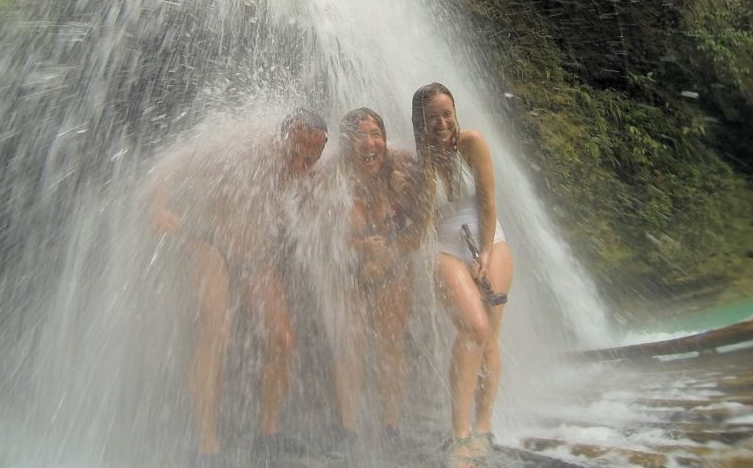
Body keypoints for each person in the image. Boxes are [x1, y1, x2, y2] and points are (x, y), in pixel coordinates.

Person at [150, 108, 328, 466]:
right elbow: (175, 162)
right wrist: (158, 207)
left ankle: (268, 431)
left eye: (311, 157)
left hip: (254, 259)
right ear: (283, 136)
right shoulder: (245, 147)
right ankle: (206, 444)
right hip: (208, 240)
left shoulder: (310, 172)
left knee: (281, 339)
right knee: (216, 331)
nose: (302, 163)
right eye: (296, 153)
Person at [411, 84, 513, 468]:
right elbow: (423, 221)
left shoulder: (472, 142)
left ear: (456, 113)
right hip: (445, 249)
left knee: (489, 338)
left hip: (491, 241)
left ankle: (483, 429)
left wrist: (485, 254)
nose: (442, 122)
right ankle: (459, 436)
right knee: (473, 327)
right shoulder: (420, 161)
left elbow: (487, 201)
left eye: (447, 113)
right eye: (433, 116)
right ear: (421, 121)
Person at [330, 108, 425, 454]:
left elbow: (419, 229)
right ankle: (347, 427)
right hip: (348, 270)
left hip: (394, 267)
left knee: (390, 343)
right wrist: (358, 248)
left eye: (376, 134)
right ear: (346, 142)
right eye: (360, 135)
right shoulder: (334, 177)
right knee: (349, 345)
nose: (369, 143)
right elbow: (321, 237)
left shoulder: (401, 168)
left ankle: (390, 424)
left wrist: (387, 256)